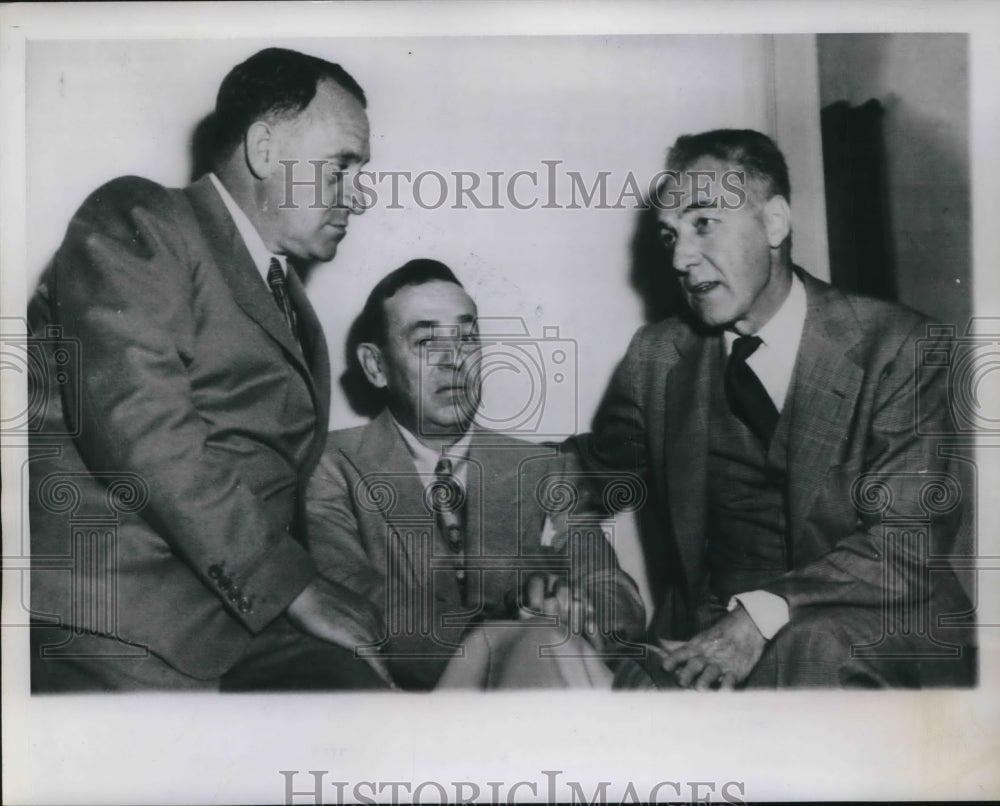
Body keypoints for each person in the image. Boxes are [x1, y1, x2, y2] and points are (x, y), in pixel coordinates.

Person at [27, 47, 390, 691]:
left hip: (238, 625)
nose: (358, 196)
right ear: (265, 150)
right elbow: (145, 427)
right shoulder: (139, 219)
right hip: (128, 627)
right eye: (342, 166)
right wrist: (294, 589)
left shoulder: (291, 303)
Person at [573, 129, 975, 689]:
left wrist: (760, 616)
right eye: (670, 236)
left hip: (872, 633)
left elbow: (904, 541)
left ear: (775, 223)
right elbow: (589, 471)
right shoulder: (657, 358)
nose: (683, 257)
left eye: (703, 223)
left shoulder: (900, 346)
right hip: (709, 636)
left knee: (814, 650)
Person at [305, 259, 647, 690]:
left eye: (468, 338)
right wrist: (509, 626)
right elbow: (354, 601)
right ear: (375, 366)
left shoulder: (544, 470)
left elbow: (614, 591)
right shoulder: (331, 464)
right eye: (427, 341)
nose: (454, 361)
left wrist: (579, 609)